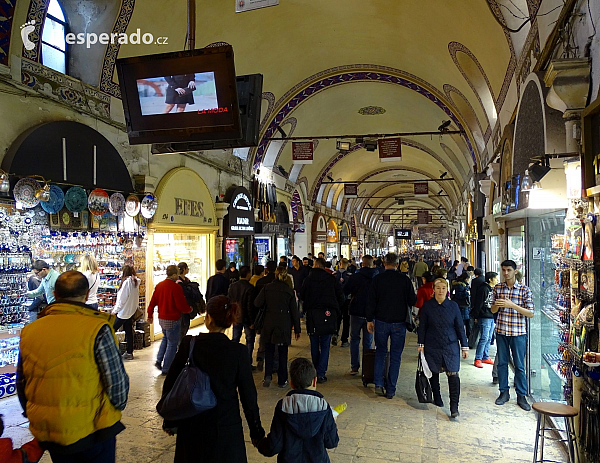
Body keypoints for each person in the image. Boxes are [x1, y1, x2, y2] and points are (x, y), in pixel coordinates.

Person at [17, 271, 129, 462]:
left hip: (51, 432)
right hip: (93, 429)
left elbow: (22, 381)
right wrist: (114, 410)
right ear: (86, 295)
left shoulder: (30, 331)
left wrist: (38, 414)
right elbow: (116, 382)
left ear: (55, 293)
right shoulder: (97, 328)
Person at [161, 296, 265, 462]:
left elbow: (171, 383)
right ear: (229, 321)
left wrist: (170, 419)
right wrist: (256, 432)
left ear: (208, 318)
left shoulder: (190, 344)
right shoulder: (237, 352)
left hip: (192, 424)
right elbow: (248, 397)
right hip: (225, 427)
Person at [255, 358, 339, 462]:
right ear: (315, 381)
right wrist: (333, 423)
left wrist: (259, 442)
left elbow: (274, 446)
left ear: (291, 384)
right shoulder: (324, 407)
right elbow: (332, 442)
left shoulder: (283, 407)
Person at [366, 253, 417, 399]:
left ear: (384, 262)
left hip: (381, 321)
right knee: (396, 356)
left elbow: (371, 301)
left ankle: (378, 383)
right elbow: (412, 300)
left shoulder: (377, 279)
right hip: (399, 323)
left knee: (381, 352)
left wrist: (370, 319)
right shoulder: (404, 280)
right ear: (397, 263)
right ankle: (391, 389)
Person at [417, 278, 469, 418]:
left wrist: (464, 346)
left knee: (453, 374)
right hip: (432, 344)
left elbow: (459, 327)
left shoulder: (453, 306)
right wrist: (420, 344)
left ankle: (454, 407)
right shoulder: (428, 306)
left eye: (443, 288)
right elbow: (422, 327)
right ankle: (437, 396)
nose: (441, 291)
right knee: (433, 372)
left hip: (450, 344)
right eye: (438, 288)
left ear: (447, 290)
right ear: (433, 290)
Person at [491, 260, 534, 411]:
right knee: (502, 363)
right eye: (503, 270)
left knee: (519, 366)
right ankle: (504, 392)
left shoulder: (524, 290)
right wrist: (497, 304)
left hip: (518, 333)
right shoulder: (498, 288)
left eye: (509, 270)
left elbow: (530, 313)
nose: (505, 273)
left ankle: (521, 395)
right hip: (502, 331)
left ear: (515, 271)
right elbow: (492, 311)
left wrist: (512, 305)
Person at [254, 265, 301, 388]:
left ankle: (267, 376)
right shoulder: (288, 291)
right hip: (283, 324)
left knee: (269, 350)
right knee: (282, 352)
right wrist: (297, 329)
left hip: (269, 322)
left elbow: (257, 303)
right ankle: (282, 379)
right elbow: (294, 312)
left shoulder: (267, 288)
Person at [300, 257, 345, 383]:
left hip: (312, 315)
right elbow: (340, 296)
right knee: (325, 345)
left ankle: (315, 369)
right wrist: (336, 310)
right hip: (328, 314)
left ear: (315, 265)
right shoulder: (331, 279)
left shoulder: (308, 280)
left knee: (314, 343)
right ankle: (321, 373)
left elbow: (302, 295)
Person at [147, 265, 191, 375]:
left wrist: (150, 315)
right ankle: (166, 368)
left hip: (162, 318)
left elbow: (152, 302)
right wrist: (189, 309)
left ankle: (159, 360)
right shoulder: (176, 287)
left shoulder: (159, 286)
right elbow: (180, 305)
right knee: (172, 343)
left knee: (166, 338)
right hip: (173, 319)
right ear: (174, 274)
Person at [344, 255, 377, 375]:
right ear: (372, 264)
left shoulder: (355, 276)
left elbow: (345, 290)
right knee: (368, 342)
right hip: (371, 313)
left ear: (362, 264)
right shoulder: (377, 277)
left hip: (356, 311)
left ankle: (354, 367)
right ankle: (366, 368)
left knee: (354, 339)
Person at [228, 266, 257, 368]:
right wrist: (252, 321)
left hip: (236, 316)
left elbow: (229, 301)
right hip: (246, 317)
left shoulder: (233, 286)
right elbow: (250, 306)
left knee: (235, 338)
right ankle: (247, 362)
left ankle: (233, 361)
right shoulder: (250, 288)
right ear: (248, 273)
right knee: (249, 340)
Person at [112, 265, 140, 360]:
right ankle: (129, 352)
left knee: (111, 330)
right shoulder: (135, 282)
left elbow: (121, 300)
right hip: (130, 311)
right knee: (129, 331)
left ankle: (111, 352)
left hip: (123, 312)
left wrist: (114, 311)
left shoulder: (126, 283)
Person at [254, 261, 278, 371]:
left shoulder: (260, 282)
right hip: (277, 314)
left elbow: (256, 302)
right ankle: (274, 363)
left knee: (264, 338)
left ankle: (260, 356)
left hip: (263, 314)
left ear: (266, 269)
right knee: (276, 340)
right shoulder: (279, 283)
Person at [472, 272, 498, 368]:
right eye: (496, 278)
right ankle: (478, 358)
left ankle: (485, 356)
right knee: (484, 337)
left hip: (491, 316)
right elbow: (478, 304)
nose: (497, 280)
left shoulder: (491, 289)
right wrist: (476, 316)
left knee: (489, 337)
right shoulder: (484, 289)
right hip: (484, 316)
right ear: (490, 279)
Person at [176, 261, 204, 341]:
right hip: (182, 309)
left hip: (188, 307)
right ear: (184, 269)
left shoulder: (186, 280)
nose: (188, 269)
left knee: (185, 326)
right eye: (187, 268)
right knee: (183, 327)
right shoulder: (179, 282)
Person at [332, 258, 352, 347]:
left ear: (339, 264)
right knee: (346, 320)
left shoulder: (334, 274)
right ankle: (344, 340)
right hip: (347, 300)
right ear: (347, 265)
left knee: (337, 318)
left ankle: (335, 334)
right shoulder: (350, 275)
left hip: (336, 300)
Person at [451, 272, 471, 339]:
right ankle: (462, 335)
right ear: (466, 279)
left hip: (462, 305)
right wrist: (467, 293)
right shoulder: (460, 285)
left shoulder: (461, 284)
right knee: (462, 321)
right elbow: (458, 295)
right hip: (462, 305)